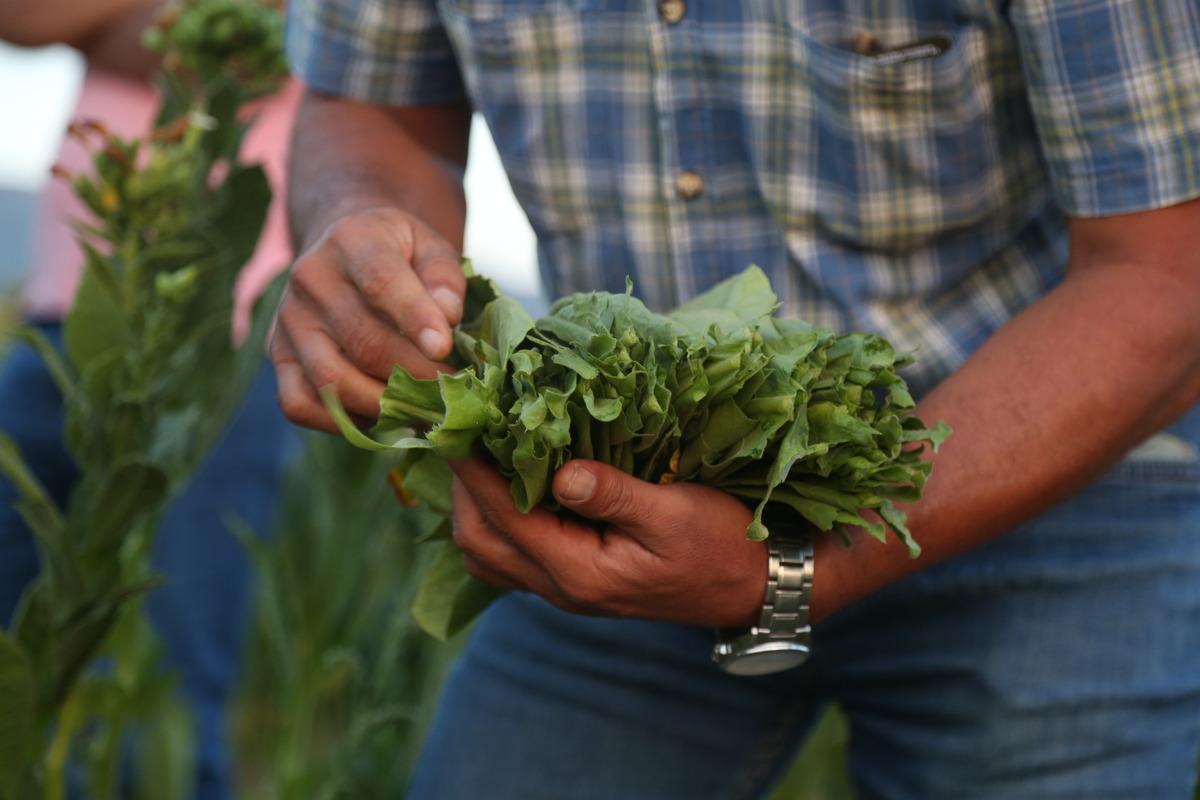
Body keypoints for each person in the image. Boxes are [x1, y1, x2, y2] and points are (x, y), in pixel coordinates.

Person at [278, 1, 1200, 796]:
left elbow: (1167, 278)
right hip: (605, 503)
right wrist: (364, 239)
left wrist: (799, 570)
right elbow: (374, 105)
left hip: (1040, 486)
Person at [0, 3, 299, 798]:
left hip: (219, 343)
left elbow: (254, 51)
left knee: (160, 710)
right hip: (67, 309)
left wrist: (100, 26)